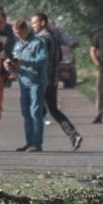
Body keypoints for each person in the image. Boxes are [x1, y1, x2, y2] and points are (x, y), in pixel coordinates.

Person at [32, 12, 82, 150]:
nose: (33, 26)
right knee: (53, 110)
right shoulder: (54, 36)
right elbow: (59, 58)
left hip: (43, 80)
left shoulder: (41, 39)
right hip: (53, 80)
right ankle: (73, 134)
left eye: (35, 23)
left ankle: (35, 142)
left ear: (42, 23)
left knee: (37, 111)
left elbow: (38, 60)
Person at [7, 19, 48, 152]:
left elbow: (42, 59)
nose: (17, 35)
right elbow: (15, 57)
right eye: (15, 33)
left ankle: (37, 143)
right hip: (23, 82)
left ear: (25, 30)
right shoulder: (18, 44)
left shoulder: (38, 42)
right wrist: (10, 64)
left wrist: (24, 62)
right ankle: (29, 142)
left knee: (35, 112)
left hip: (36, 82)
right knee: (26, 113)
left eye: (19, 33)